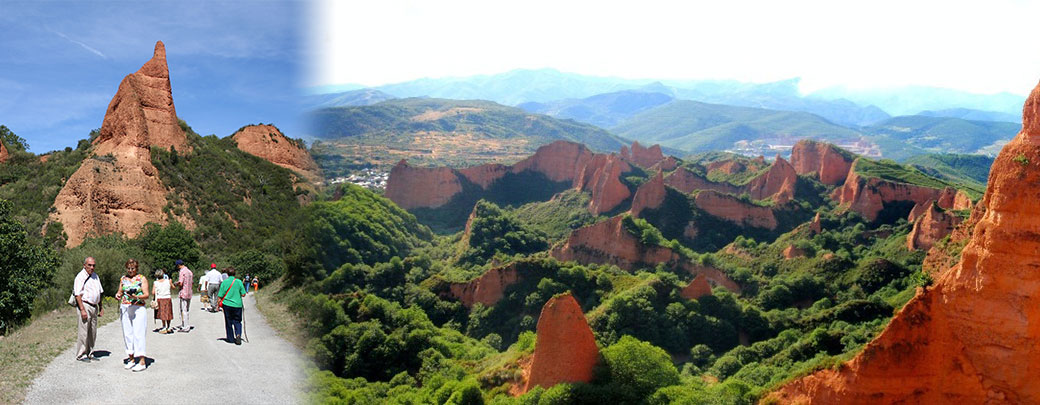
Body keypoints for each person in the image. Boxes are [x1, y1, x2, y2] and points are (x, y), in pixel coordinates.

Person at [116, 259, 149, 372]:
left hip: (138, 307)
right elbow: (120, 291)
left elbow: (146, 295)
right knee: (127, 333)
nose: (130, 270)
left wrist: (137, 297)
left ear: (136, 268)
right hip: (125, 307)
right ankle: (131, 358)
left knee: (138, 333)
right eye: (129, 268)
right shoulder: (123, 279)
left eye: (133, 268)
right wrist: (118, 295)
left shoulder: (141, 278)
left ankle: (142, 361)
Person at [73, 257, 103, 362]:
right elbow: (77, 294)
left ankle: (90, 352)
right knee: (84, 330)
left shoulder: (95, 276)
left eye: (94, 265)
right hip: (85, 305)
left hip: (94, 306)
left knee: (93, 330)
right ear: (84, 265)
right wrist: (82, 310)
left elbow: (99, 292)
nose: (92, 267)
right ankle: (81, 354)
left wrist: (101, 307)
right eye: (89, 265)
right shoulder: (80, 277)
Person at [216, 267, 247, 345]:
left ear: (227, 274)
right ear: (235, 273)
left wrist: (218, 305)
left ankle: (230, 338)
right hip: (237, 305)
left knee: (228, 321)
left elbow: (220, 296)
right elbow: (243, 294)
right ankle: (238, 334)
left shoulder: (224, 282)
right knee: (237, 321)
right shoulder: (239, 282)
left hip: (227, 304)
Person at [173, 259, 193, 332]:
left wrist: (176, 284)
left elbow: (181, 283)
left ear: (178, 265)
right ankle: (185, 324)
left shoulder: (182, 272)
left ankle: (185, 326)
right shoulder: (190, 272)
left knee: (183, 310)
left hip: (183, 292)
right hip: (189, 292)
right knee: (187, 309)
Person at [152, 269, 174, 334]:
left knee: (162, 313)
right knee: (168, 312)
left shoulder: (155, 283)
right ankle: (169, 326)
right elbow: (173, 287)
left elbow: (153, 292)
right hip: (167, 297)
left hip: (160, 298)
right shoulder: (168, 281)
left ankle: (164, 326)